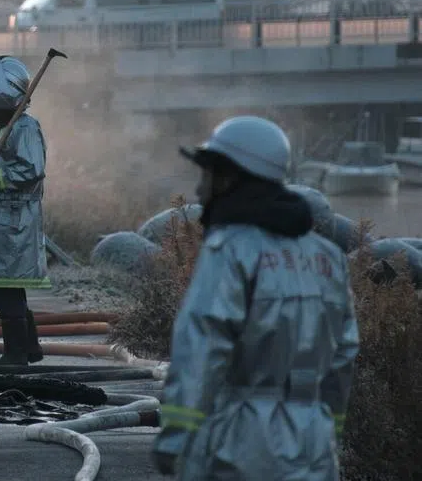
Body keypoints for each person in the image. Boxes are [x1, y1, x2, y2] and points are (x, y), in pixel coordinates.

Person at [153, 115, 360, 480]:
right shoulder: (329, 257)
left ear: (232, 178)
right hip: (315, 441)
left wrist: (176, 437)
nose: (201, 192)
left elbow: (202, 346)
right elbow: (343, 357)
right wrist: (329, 427)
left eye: (209, 177)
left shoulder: (230, 250)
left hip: (243, 438)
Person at [0, 56, 47, 366]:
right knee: (5, 285)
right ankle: (29, 347)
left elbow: (31, 170)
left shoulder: (25, 128)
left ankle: (15, 354)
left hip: (15, 220)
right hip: (6, 219)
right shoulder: (10, 129)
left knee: (3, 288)